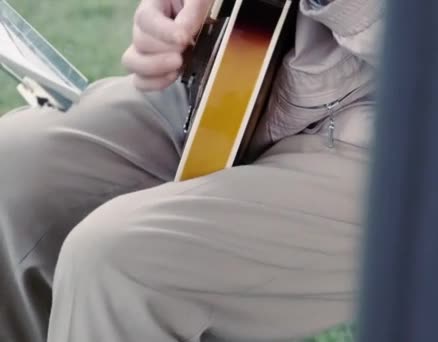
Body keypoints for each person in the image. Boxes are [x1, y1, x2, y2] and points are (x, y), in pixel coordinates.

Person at [0, 0, 383, 341]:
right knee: (16, 163)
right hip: (241, 74)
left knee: (119, 261)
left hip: (402, 144)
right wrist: (176, 15)